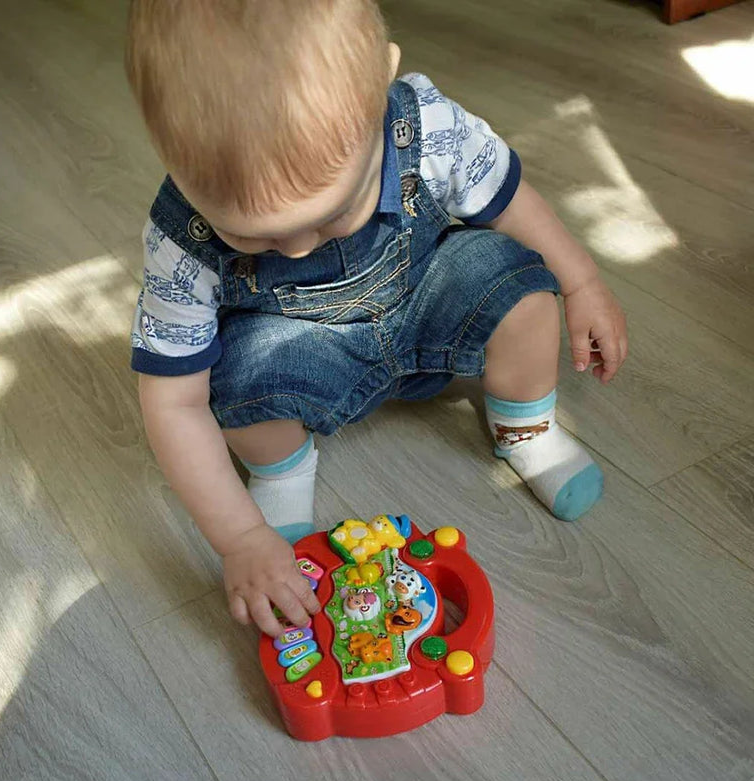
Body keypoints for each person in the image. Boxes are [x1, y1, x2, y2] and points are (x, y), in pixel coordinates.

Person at [125, 0, 628, 638]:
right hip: (306, 353)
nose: (300, 248)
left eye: (334, 213)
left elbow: (510, 201)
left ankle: (524, 429)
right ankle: (281, 470)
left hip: (425, 302)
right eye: (253, 236)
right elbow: (174, 403)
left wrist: (580, 281)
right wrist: (240, 538)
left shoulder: (426, 124)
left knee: (518, 277)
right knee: (235, 372)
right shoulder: (180, 243)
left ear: (383, 83)